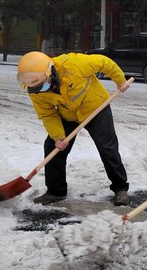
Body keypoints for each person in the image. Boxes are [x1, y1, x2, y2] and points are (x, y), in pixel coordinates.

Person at [16, 51, 131, 206]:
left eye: (42, 84)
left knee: (107, 148)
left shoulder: (74, 64)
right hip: (68, 114)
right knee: (52, 147)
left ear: (50, 72)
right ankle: (56, 192)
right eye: (36, 87)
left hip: (95, 107)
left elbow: (104, 62)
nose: (40, 89)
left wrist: (120, 80)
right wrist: (58, 137)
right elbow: (48, 114)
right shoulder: (35, 89)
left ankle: (120, 188)